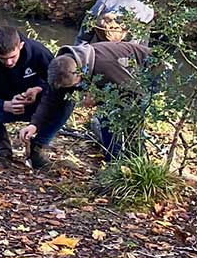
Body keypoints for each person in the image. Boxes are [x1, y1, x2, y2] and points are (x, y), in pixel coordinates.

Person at [20, 39, 155, 164]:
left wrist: (99, 98)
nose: (73, 89)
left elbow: (136, 94)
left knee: (111, 118)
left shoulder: (106, 67)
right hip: (117, 81)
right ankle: (115, 161)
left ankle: (127, 162)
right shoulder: (61, 67)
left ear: (80, 74)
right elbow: (52, 99)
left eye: (73, 86)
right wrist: (34, 124)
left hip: (150, 71)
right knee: (68, 102)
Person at [0, 24, 54, 163]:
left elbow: (58, 84)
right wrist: (4, 105)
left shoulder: (39, 52)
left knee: (64, 104)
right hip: (3, 105)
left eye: (13, 57)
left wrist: (39, 89)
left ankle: (39, 147)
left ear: (21, 46)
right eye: (2, 58)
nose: (8, 62)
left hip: (36, 106)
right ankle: (1, 140)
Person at [77, 0, 154, 45]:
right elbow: (81, 40)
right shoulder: (95, 14)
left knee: (141, 52)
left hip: (142, 7)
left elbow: (132, 50)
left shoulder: (136, 22)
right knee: (101, 48)